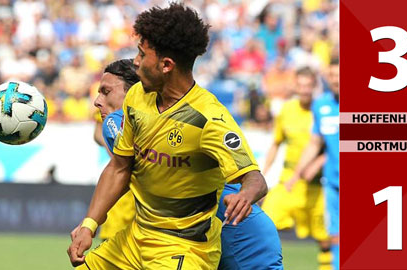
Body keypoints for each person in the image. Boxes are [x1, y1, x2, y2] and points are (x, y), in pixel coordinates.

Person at [68, 3, 268, 270]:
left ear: (166, 65)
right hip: (135, 240)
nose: (135, 62)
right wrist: (89, 225)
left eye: (141, 54)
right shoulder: (137, 97)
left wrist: (245, 195)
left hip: (183, 249)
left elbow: (255, 179)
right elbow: (118, 168)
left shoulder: (209, 119)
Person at [97, 60, 283, 270]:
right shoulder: (130, 123)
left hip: (240, 237)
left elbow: (254, 178)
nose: (97, 101)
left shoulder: (194, 118)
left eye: (106, 92)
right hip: (193, 240)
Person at [262, 66, 332, 270]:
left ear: (314, 86)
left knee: (325, 239)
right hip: (288, 180)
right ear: (295, 85)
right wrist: (263, 173)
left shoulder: (322, 109)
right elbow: (276, 142)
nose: (304, 90)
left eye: (308, 86)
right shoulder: (286, 110)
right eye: (300, 85)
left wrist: (317, 164)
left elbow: (332, 147)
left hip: (316, 184)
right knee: (263, 226)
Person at [287, 58, 339, 270]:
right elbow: (315, 143)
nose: (336, 79)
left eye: (340, 75)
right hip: (333, 184)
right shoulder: (321, 105)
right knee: (335, 236)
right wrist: (296, 174)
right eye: (332, 75)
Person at [92, 59, 139, 239]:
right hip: (122, 197)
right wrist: (117, 147)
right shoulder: (110, 117)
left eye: (106, 92)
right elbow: (97, 133)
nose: (97, 102)